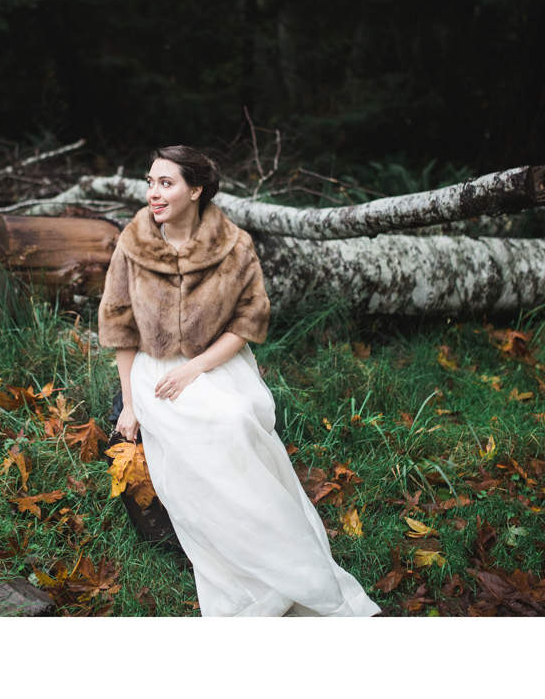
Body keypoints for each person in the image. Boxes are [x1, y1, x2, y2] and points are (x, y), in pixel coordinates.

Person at [99, 145, 379, 617]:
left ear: (196, 190)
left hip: (218, 362)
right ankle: (244, 569)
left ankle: (289, 563)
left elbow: (248, 322)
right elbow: (119, 328)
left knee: (236, 420)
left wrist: (196, 368)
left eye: (166, 183)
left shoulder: (233, 244)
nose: (154, 193)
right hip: (155, 369)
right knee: (208, 428)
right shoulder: (134, 244)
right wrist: (129, 404)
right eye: (150, 183)